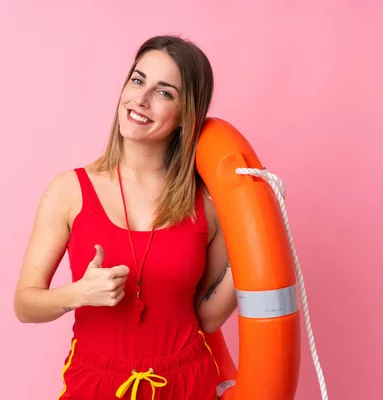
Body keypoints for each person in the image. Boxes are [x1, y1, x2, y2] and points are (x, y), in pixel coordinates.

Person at [13, 35, 237, 400]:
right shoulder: (69, 190)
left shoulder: (207, 204)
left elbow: (207, 317)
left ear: (186, 115)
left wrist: (257, 244)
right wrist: (79, 293)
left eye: (165, 92)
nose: (141, 99)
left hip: (186, 382)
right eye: (137, 80)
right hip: (97, 383)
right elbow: (25, 304)